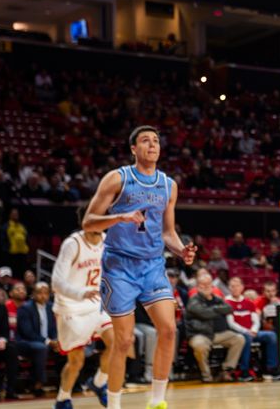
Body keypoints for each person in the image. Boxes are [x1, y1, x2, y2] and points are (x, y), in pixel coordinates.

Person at [82, 126, 196, 409]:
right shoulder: (117, 178)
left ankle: (157, 401)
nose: (152, 145)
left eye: (156, 140)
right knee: (123, 341)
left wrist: (181, 250)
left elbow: (168, 232)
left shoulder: (169, 185)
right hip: (119, 265)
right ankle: (115, 404)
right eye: (145, 140)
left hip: (153, 266)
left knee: (169, 330)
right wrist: (119, 217)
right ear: (133, 148)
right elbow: (88, 222)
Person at [52, 204, 114, 408]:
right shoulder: (72, 244)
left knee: (121, 341)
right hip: (71, 307)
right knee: (76, 360)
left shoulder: (108, 242)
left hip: (96, 304)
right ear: (84, 221)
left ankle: (98, 383)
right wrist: (81, 293)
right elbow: (56, 282)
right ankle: (63, 398)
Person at [185, 279, 246, 382]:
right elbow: (204, 313)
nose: (206, 286)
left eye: (208, 284)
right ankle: (206, 375)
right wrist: (218, 310)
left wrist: (213, 310)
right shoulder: (193, 300)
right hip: (200, 334)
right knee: (200, 346)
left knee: (239, 339)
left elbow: (229, 308)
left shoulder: (217, 298)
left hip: (219, 334)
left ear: (212, 286)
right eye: (203, 284)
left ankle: (226, 370)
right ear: (198, 287)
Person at [225, 277, 279, 379]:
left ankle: (270, 369)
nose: (235, 288)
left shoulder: (248, 303)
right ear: (229, 288)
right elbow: (231, 323)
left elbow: (256, 320)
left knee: (271, 335)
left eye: (237, 286)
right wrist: (246, 331)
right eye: (232, 286)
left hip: (252, 332)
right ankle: (244, 371)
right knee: (246, 337)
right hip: (237, 333)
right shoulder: (226, 302)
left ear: (242, 287)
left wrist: (254, 330)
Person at [16, 282, 59, 398]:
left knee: (63, 346)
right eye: (40, 293)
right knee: (41, 348)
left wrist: (55, 340)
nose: (43, 296)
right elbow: (28, 333)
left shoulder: (51, 307)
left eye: (46, 293)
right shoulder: (25, 308)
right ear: (33, 294)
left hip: (46, 342)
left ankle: (64, 383)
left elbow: (54, 328)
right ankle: (37, 385)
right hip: (25, 342)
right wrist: (48, 341)